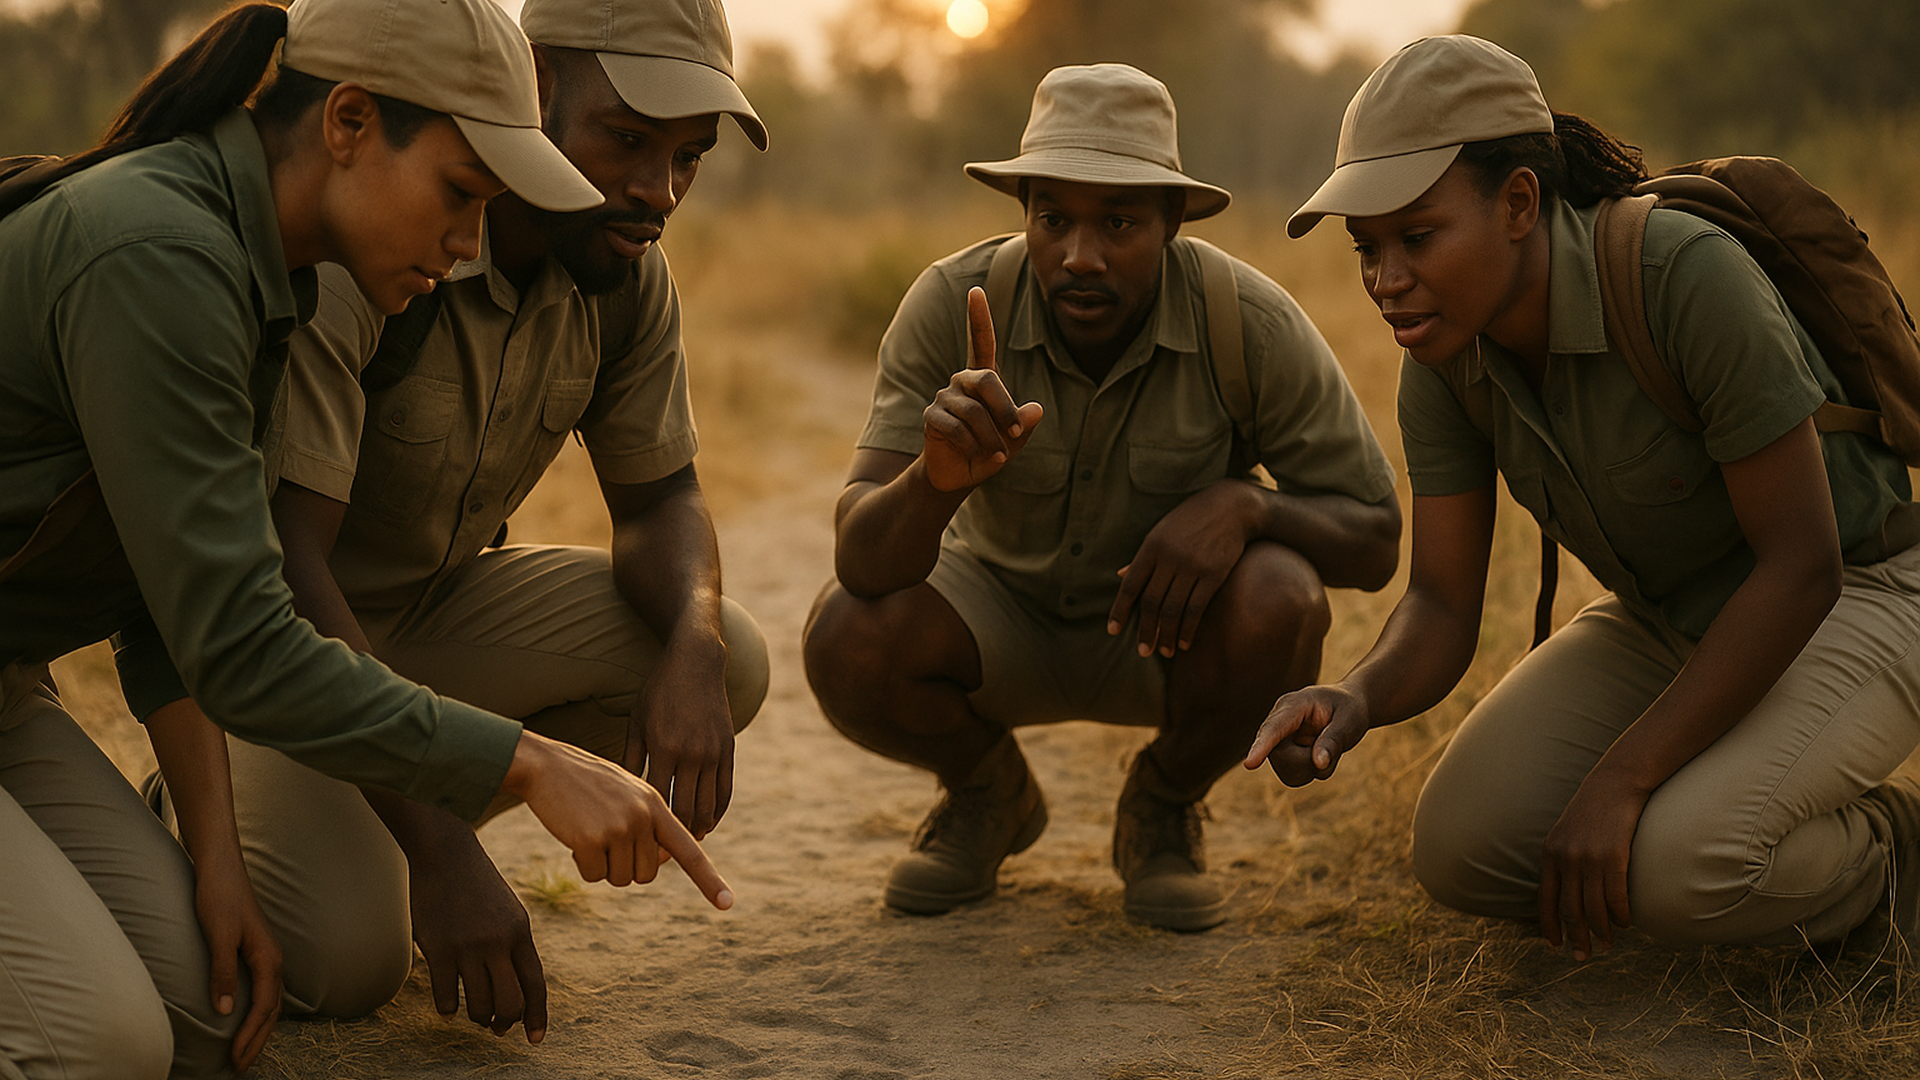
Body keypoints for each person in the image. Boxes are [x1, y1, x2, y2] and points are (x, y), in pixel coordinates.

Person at [0, 2, 730, 1077]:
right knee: (94, 1044)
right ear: (347, 122)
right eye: (458, 194)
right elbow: (246, 639)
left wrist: (218, 863)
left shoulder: (263, 273)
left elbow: (167, 613)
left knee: (209, 1016)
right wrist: (524, 766)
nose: (472, 241)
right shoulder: (161, 252)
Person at [1251, 35, 1920, 962]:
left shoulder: (1680, 276)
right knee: (1463, 851)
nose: (1384, 279)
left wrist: (1622, 780)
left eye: (1417, 237)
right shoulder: (1445, 357)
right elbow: (1443, 604)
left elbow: (1804, 569)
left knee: (1685, 865)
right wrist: (1355, 696)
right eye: (1368, 247)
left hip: (1863, 593)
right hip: (1669, 619)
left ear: (1519, 201)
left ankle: (1892, 855)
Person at [804, 63, 1401, 932]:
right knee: (845, 637)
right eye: (1054, 219)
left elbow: (1378, 541)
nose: (1080, 255)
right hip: (996, 615)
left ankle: (1162, 805)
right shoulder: (952, 304)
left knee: (1283, 597)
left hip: (1167, 638)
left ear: (1171, 223)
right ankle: (988, 795)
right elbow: (861, 562)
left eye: (1118, 222)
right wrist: (932, 484)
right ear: (1026, 215)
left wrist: (1247, 507)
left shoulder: (1247, 322)